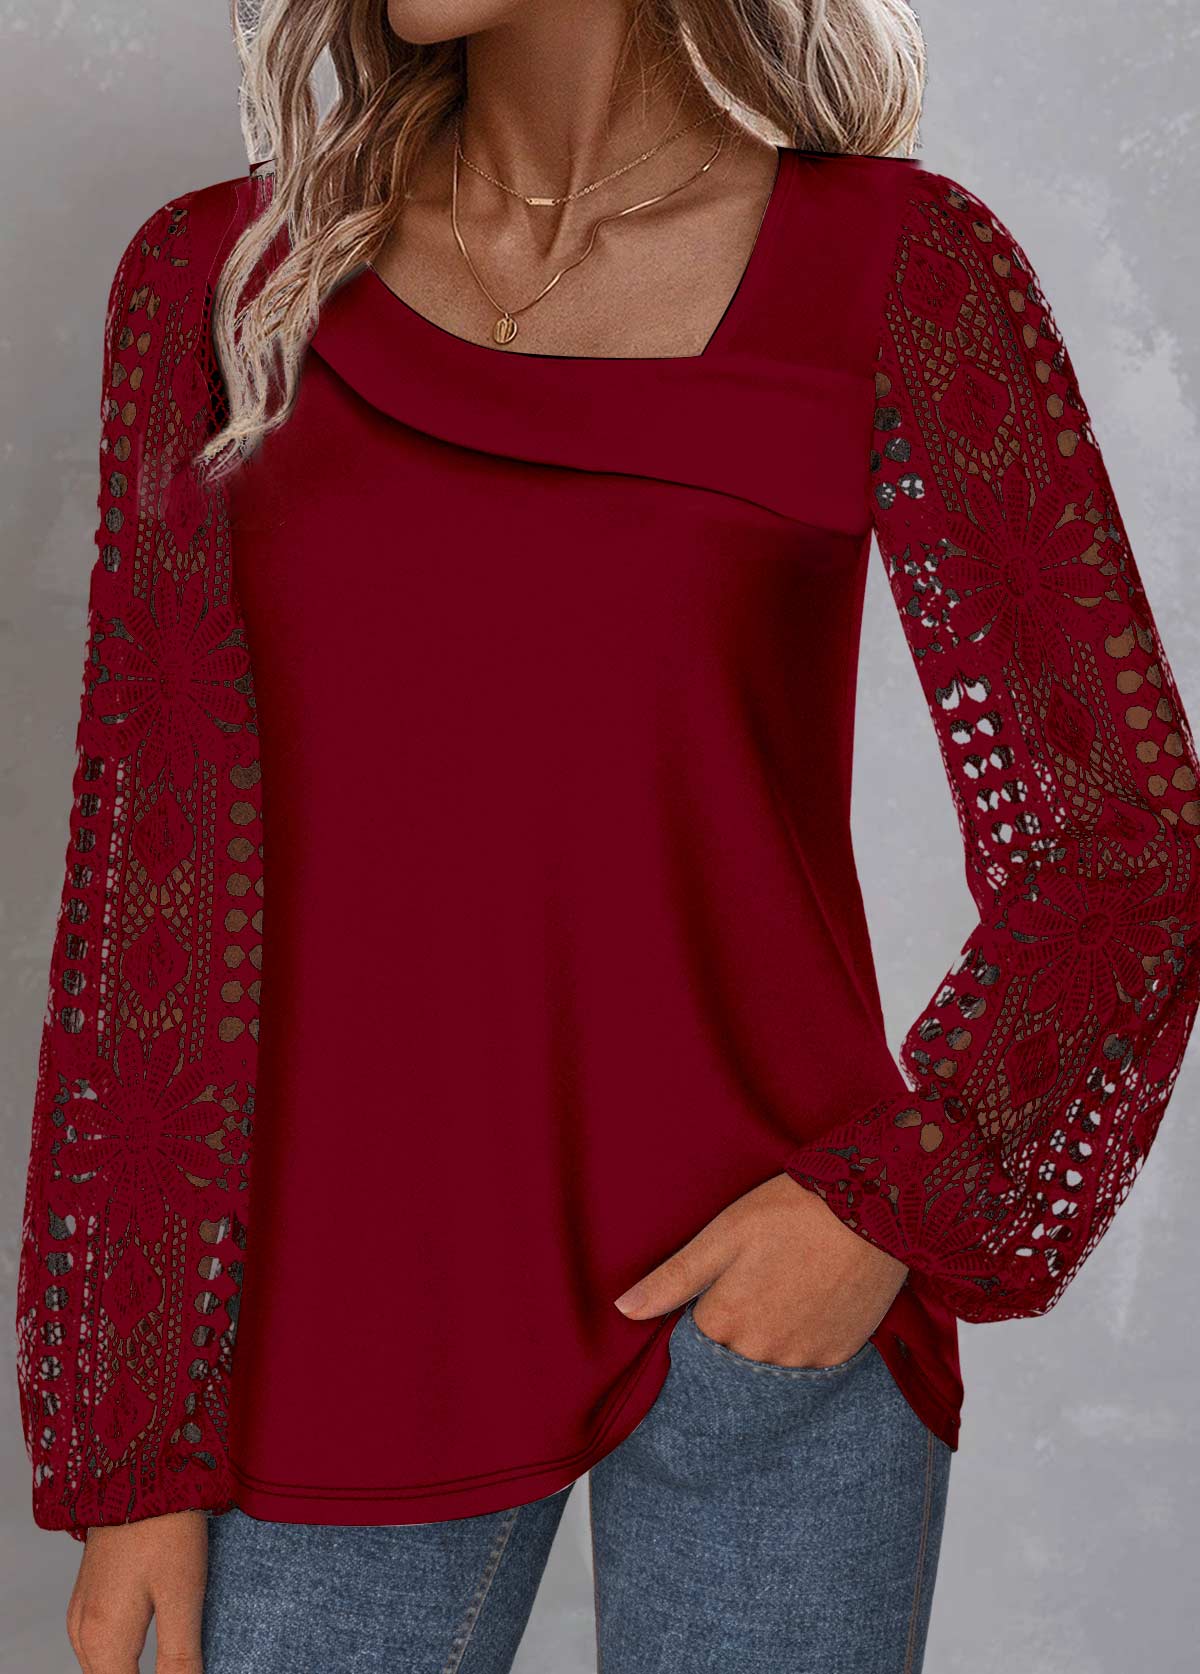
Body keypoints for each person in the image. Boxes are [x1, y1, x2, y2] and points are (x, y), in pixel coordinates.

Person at [16, 1, 1200, 1670]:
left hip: (767, 1314)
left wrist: (883, 1210)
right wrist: (139, 1452)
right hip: (345, 1320)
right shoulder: (221, 284)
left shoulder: (901, 270)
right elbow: (153, 887)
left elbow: (1123, 838)